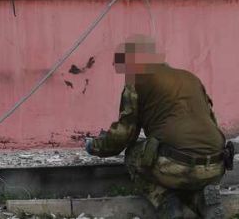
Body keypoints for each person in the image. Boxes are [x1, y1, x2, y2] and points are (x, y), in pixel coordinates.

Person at [84, 35, 230, 219]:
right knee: (182, 164)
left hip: (176, 165)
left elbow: (124, 134)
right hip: (217, 164)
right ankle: (202, 199)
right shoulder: (191, 78)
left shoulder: (136, 81)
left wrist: (94, 146)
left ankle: (167, 203)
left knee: (133, 156)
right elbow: (212, 121)